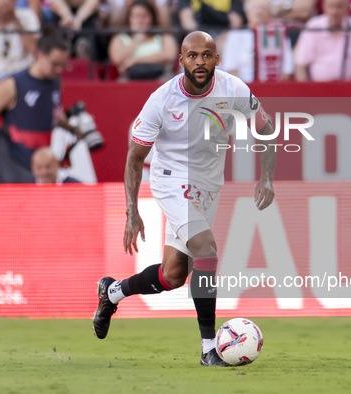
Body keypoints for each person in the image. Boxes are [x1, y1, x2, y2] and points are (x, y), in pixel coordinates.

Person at [92, 31, 277, 367]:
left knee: (173, 274)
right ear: (181, 61)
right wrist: (132, 210)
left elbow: (264, 127)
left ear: (217, 59)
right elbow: (135, 158)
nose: (200, 62)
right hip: (171, 181)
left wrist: (266, 176)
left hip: (209, 185)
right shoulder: (161, 100)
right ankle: (209, 349)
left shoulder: (233, 89)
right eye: (192, 56)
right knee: (206, 249)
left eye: (207, 55)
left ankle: (112, 292)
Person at [0, 27, 82, 183]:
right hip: (12, 159)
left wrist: (73, 129)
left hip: (39, 161)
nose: (58, 69)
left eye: (62, 65)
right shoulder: (12, 85)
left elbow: (53, 115)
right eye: (54, 64)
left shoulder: (56, 82)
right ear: (39, 55)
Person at [294, 0, 351, 81]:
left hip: (347, 88)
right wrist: (305, 91)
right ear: (324, 7)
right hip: (317, 88)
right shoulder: (313, 26)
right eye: (331, 6)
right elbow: (300, 64)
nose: (334, 12)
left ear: (347, 8)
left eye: (339, 7)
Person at [220, 0, 294, 82]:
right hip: (244, 88)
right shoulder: (237, 34)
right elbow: (231, 68)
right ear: (247, 12)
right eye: (255, 7)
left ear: (271, 13)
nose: (259, 11)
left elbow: (287, 69)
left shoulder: (279, 35)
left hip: (274, 88)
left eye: (264, 8)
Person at [108, 0, 178, 78]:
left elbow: (169, 55)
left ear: (152, 17)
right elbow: (117, 59)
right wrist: (137, 39)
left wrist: (136, 60)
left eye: (144, 16)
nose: (140, 20)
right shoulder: (119, 38)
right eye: (135, 16)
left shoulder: (164, 37)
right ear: (129, 18)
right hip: (130, 77)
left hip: (160, 76)